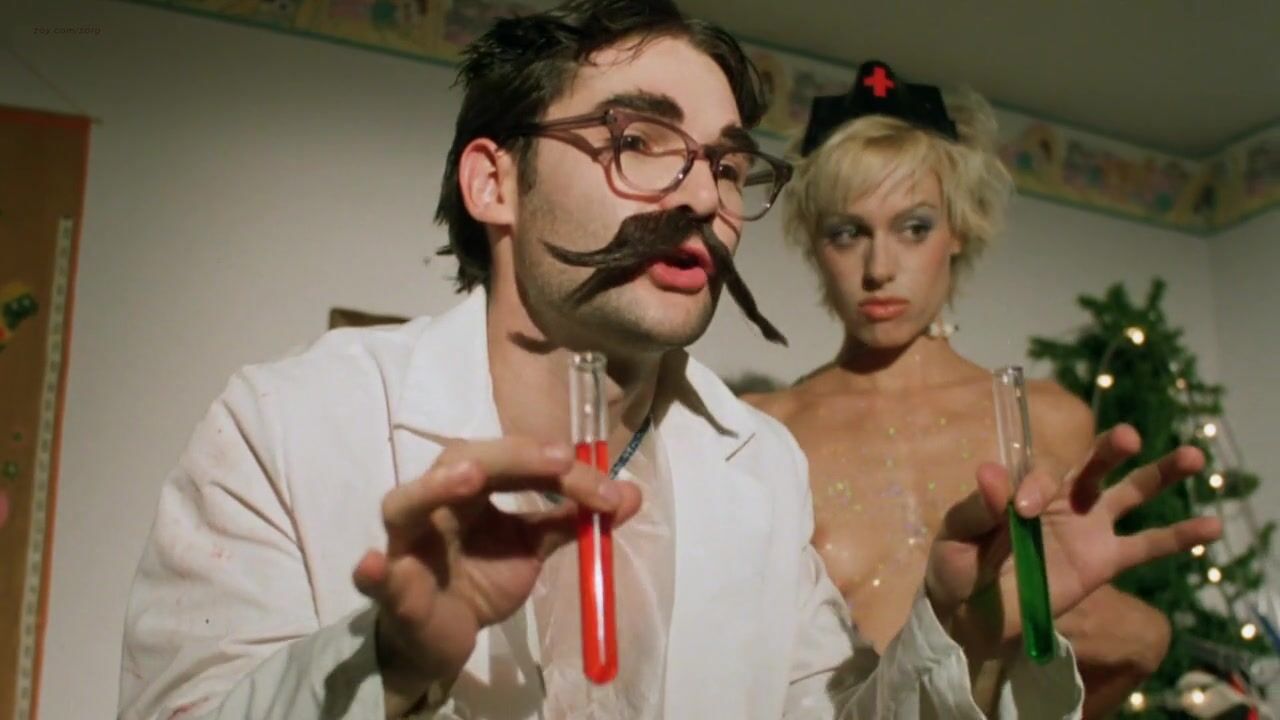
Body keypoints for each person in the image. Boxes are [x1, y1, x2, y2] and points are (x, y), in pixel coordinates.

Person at [119, 5, 1219, 718]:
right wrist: (391, 665)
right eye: (637, 142)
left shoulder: (759, 469)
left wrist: (960, 641)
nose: (701, 194)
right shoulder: (287, 424)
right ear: (494, 183)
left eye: (727, 165)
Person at [746, 61, 1177, 718]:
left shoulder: (1044, 420)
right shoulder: (764, 432)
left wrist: (1138, 647)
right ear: (815, 243)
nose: (879, 268)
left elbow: (1064, 668)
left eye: (913, 227)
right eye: (847, 232)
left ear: (959, 229)